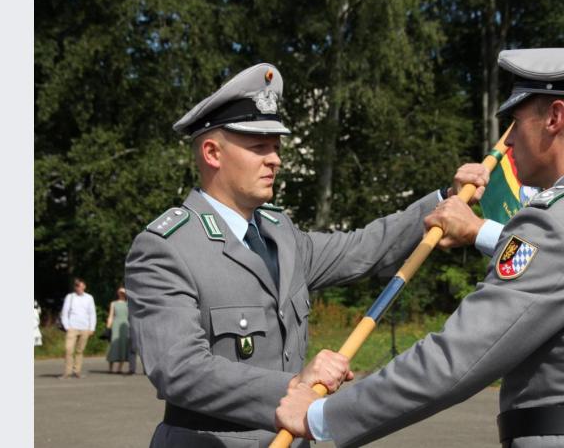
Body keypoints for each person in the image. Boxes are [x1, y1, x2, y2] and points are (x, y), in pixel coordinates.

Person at [275, 47, 564, 448]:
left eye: (515, 121)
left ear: (555, 118)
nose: (506, 143)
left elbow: (454, 361)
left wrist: (319, 416)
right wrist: (478, 231)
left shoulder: (555, 227)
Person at [125, 63, 458, 448]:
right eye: (259, 147)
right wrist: (293, 386)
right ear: (212, 152)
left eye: (276, 147)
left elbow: (363, 248)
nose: (275, 159)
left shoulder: (281, 234)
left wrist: (443, 203)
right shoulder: (167, 247)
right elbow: (178, 369)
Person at [60, 278, 96, 379]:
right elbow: (65, 312)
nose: (78, 288)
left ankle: (77, 371)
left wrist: (92, 327)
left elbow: (92, 313)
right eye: (76, 286)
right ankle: (67, 372)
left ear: (84, 286)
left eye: (80, 285)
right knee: (68, 349)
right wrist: (67, 326)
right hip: (72, 327)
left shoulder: (89, 298)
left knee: (80, 350)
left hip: (85, 327)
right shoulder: (70, 297)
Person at [106, 287, 131, 373]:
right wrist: (108, 327)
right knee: (113, 345)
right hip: (116, 325)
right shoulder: (113, 303)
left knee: (123, 346)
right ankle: (110, 368)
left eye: (123, 293)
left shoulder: (128, 304)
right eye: (120, 293)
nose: (122, 294)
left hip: (125, 326)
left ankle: (119, 368)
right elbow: (111, 315)